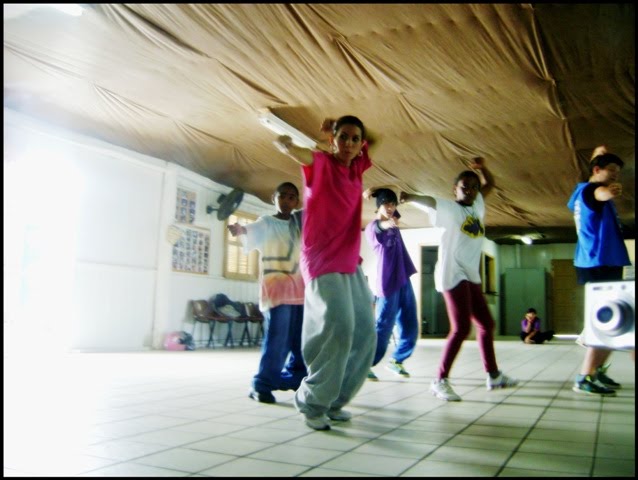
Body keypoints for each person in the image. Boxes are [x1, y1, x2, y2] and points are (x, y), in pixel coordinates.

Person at [273, 115, 377, 430]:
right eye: (342, 137)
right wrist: (287, 143)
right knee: (339, 327)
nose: (348, 143)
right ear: (333, 140)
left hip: (350, 260)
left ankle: (335, 400)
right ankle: (312, 401)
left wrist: (341, 132)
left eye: (355, 139)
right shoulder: (321, 163)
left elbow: (376, 139)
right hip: (321, 258)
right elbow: (297, 152)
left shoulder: (357, 167)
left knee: (365, 332)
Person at [400, 158, 519, 402]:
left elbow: (490, 184)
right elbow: (430, 201)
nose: (470, 191)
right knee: (462, 328)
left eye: (474, 187)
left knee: (486, 324)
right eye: (465, 187)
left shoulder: (477, 206)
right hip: (452, 273)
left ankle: (493, 375)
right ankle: (439, 380)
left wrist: (483, 169)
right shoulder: (450, 208)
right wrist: (410, 197)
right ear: (455, 189)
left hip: (471, 274)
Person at [227, 182, 307, 404]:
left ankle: (295, 379)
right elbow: (249, 230)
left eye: (291, 197)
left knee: (300, 339)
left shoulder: (300, 223)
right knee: (278, 338)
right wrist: (240, 230)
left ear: (297, 201)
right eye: (282, 196)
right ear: (274, 198)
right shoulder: (267, 222)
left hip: (300, 290)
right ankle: (261, 385)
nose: (286, 201)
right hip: (277, 290)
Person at [567, 145, 631, 396]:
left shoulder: (580, 191)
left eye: (617, 172)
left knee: (617, 319)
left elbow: (594, 185)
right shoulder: (592, 191)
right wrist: (609, 191)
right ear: (596, 170)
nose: (615, 175)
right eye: (611, 170)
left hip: (600, 262)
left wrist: (598, 157)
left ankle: (597, 371)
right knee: (605, 322)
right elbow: (599, 193)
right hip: (598, 263)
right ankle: (585, 377)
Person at [362, 187, 418, 380]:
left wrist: (376, 190)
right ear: (378, 206)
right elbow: (381, 226)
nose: (390, 207)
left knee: (410, 324)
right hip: (387, 281)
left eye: (393, 204)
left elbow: (393, 202)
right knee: (384, 326)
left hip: (404, 277)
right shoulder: (372, 227)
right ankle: (364, 365)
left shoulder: (392, 218)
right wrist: (388, 223)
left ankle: (397, 361)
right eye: (386, 203)